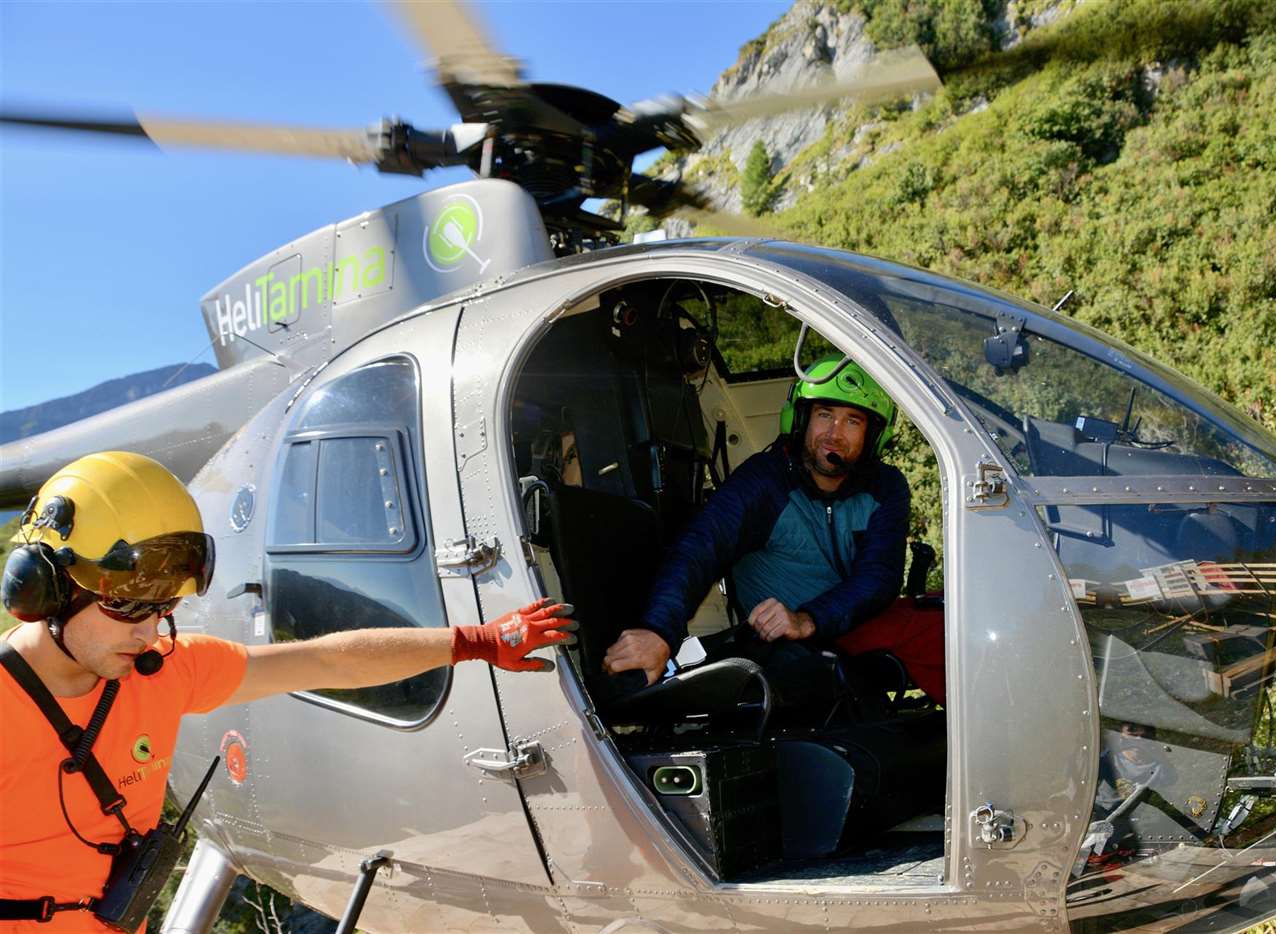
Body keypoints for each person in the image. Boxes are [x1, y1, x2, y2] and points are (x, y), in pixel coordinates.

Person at [0, 451, 575, 931]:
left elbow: (327, 660)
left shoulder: (164, 671)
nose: (150, 632)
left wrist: (474, 641)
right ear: (44, 587)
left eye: (164, 608)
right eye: (127, 606)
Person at [602, 353, 911, 686]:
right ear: (800, 419)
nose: (834, 433)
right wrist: (659, 631)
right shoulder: (765, 482)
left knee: (948, 630)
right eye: (824, 415)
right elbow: (700, 548)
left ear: (872, 436)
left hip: (853, 624)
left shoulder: (886, 486)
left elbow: (879, 577)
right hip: (784, 648)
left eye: (853, 421)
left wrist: (808, 619)